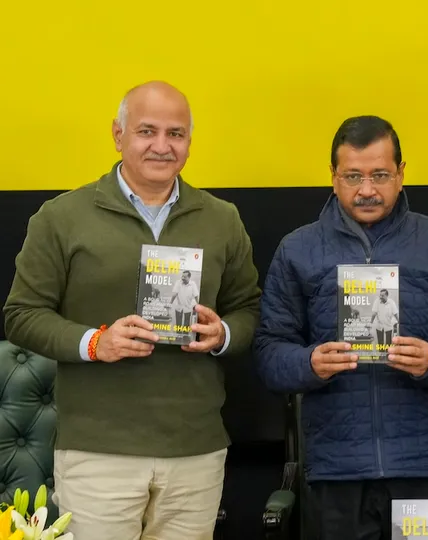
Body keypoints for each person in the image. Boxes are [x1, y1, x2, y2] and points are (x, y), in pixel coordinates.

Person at [2, 81, 262, 539]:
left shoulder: (222, 219)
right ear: (118, 135)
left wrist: (222, 334)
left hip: (196, 449)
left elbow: (249, 310)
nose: (162, 146)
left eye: (176, 134)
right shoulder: (61, 217)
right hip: (99, 451)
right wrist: (95, 342)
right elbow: (22, 315)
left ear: (189, 141)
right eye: (147, 131)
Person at [253, 115, 428, 540]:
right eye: (353, 176)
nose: (367, 189)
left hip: (427, 466)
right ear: (333, 178)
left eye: (380, 175)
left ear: (401, 175)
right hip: (337, 472)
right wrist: (310, 362)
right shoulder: (298, 249)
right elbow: (269, 353)